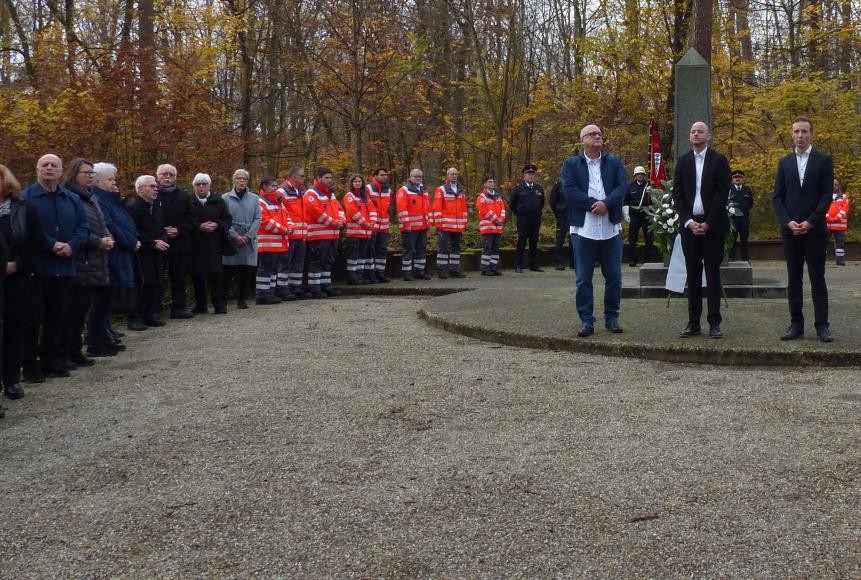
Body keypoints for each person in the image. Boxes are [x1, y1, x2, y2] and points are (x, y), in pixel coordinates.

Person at [21, 154, 89, 379]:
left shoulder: (71, 199)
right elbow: (24, 230)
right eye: (45, 165)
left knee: (56, 315)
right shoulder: (25, 198)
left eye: (54, 165)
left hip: (65, 266)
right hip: (37, 267)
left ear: (61, 171)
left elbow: (83, 226)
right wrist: (51, 244)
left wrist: (72, 245)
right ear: (37, 169)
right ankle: (30, 365)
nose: (49, 168)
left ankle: (52, 360)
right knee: (33, 317)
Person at [561, 124, 628, 337]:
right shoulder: (571, 164)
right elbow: (569, 190)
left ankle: (612, 317)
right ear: (582, 140)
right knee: (583, 279)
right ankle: (586, 321)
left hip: (610, 229)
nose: (598, 136)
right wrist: (593, 204)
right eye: (592, 134)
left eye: (599, 133)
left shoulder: (614, 162)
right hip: (584, 230)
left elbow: (622, 186)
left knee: (615, 277)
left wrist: (606, 203)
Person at [773, 116, 834, 342]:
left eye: (804, 131)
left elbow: (826, 196)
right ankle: (795, 324)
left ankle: (822, 325)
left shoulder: (823, 161)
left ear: (811, 134)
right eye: (796, 131)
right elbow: (778, 197)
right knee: (794, 278)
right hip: (791, 231)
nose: (800, 135)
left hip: (815, 231)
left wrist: (810, 222)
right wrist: (788, 221)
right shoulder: (785, 163)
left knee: (817, 278)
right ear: (792, 134)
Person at [673, 122, 731, 339]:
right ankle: (693, 323)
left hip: (712, 227)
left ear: (709, 136)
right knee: (693, 276)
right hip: (690, 227)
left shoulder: (719, 161)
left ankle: (714, 323)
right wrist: (688, 221)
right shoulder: (683, 161)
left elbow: (721, 193)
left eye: (700, 131)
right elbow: (677, 195)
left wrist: (708, 222)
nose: (695, 134)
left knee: (713, 275)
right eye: (692, 131)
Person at [58, 159, 112, 361]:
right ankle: (66, 351)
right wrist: (98, 242)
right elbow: (75, 229)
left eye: (92, 173)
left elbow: (100, 223)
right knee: (72, 310)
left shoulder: (90, 197)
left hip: (94, 260)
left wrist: (107, 238)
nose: (90, 176)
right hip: (80, 260)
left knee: (81, 310)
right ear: (74, 174)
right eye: (86, 172)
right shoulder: (71, 197)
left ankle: (74, 350)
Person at [0, 165, 44, 407]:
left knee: (15, 330)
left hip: (17, 279)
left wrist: (16, 264)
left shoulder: (25, 208)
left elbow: (36, 240)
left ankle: (11, 379)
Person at [92, 163, 139, 348]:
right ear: (98, 181)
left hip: (120, 252)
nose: (114, 183)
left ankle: (106, 330)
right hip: (111, 253)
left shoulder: (111, 199)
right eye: (110, 179)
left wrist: (133, 239)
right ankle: (100, 334)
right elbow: (111, 226)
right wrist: (130, 241)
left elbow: (124, 222)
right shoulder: (100, 201)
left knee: (107, 297)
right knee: (102, 297)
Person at [127, 175, 169, 327]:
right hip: (141, 253)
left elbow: (162, 228)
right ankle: (134, 318)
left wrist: (163, 239)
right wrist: (152, 243)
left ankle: (149, 314)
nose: (156, 189)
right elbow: (134, 231)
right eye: (151, 186)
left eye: (156, 186)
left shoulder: (156, 208)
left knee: (155, 284)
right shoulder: (132, 208)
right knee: (141, 286)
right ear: (140, 189)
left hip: (157, 253)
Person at [155, 164, 195, 319]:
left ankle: (178, 307)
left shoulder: (184, 196)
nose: (167, 177)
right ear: (157, 176)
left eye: (171, 174)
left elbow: (192, 219)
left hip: (180, 243)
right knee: (157, 278)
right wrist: (161, 232)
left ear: (175, 177)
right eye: (164, 174)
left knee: (179, 278)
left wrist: (178, 230)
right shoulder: (152, 194)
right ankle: (155, 308)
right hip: (158, 243)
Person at [189, 173, 231, 312]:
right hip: (195, 244)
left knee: (215, 274)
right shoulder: (188, 201)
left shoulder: (218, 201)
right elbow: (185, 222)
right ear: (194, 186)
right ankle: (201, 305)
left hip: (214, 244)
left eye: (204, 184)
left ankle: (218, 304)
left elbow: (228, 220)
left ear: (209, 186)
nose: (201, 187)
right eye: (198, 184)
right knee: (197, 275)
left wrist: (216, 225)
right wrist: (198, 226)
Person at [221, 169, 260, 309]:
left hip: (248, 239)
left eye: (244, 178)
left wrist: (248, 236)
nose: (241, 181)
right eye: (238, 178)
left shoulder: (255, 198)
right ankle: (223, 300)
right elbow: (223, 219)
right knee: (227, 271)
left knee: (246, 271)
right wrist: (235, 235)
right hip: (232, 238)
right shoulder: (225, 198)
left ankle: (241, 299)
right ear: (233, 180)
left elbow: (258, 218)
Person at [304, 167, 344, 298]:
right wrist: (334, 222)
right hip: (318, 236)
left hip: (332, 235)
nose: (329, 180)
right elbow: (315, 213)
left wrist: (341, 221)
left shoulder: (330, 194)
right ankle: (314, 288)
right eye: (326, 178)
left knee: (328, 262)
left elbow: (340, 209)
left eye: (331, 178)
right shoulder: (311, 194)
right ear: (319, 178)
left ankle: (325, 286)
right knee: (317, 263)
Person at [255, 176, 293, 304]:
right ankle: (262, 295)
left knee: (272, 270)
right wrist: (284, 230)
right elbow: (265, 221)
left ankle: (270, 293)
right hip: (267, 243)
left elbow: (287, 216)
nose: (276, 188)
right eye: (272, 186)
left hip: (278, 244)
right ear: (264, 187)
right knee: (265, 270)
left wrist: (290, 226)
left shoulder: (278, 201)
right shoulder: (260, 201)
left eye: (276, 186)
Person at [276, 166, 308, 297]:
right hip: (289, 234)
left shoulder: (301, 191)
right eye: (302, 176)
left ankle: (295, 288)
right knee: (285, 264)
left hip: (301, 235)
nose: (304, 178)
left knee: (297, 265)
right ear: (294, 177)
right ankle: (282, 289)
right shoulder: (282, 192)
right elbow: (279, 212)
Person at [432, 167, 468, 279]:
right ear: (447, 176)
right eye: (451, 174)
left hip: (457, 226)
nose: (454, 176)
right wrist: (438, 225)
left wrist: (464, 224)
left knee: (456, 248)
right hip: (445, 226)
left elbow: (463, 208)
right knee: (443, 248)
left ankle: (454, 270)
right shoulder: (441, 190)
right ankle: (442, 271)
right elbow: (437, 208)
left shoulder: (461, 190)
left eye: (456, 174)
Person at [396, 168, 431, 281]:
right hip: (409, 227)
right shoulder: (404, 190)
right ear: (410, 177)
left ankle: (419, 272)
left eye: (420, 176)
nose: (418, 178)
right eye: (415, 176)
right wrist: (407, 224)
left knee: (421, 249)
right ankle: (407, 273)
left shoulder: (424, 191)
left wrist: (428, 223)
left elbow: (427, 209)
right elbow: (402, 209)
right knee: (409, 249)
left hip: (422, 226)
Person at [509, 164, 545, 273]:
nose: (531, 176)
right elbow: (512, 204)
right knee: (522, 241)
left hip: (535, 219)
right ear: (524, 175)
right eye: (529, 174)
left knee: (534, 242)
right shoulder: (518, 189)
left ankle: (533, 265)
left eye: (532, 174)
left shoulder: (538, 188)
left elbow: (541, 203)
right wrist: (520, 213)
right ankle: (518, 265)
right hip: (523, 220)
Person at [343, 174, 376, 284]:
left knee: (362, 256)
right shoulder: (349, 196)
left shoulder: (365, 197)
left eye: (359, 181)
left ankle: (359, 276)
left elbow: (372, 211)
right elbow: (353, 212)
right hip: (354, 233)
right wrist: (366, 224)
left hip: (365, 232)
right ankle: (352, 277)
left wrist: (372, 223)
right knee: (353, 256)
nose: (358, 183)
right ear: (351, 183)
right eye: (355, 181)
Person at [475, 176, 506, 275]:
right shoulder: (482, 197)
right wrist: (496, 220)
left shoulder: (498, 196)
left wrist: (501, 218)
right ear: (485, 184)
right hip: (488, 228)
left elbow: (503, 209)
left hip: (497, 228)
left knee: (495, 249)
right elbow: (485, 211)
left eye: (492, 181)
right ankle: (485, 269)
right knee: (487, 249)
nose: (492, 183)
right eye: (489, 182)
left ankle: (493, 268)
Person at [623, 166, 653, 267]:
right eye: (638, 174)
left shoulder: (649, 186)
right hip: (634, 213)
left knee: (648, 237)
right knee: (633, 237)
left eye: (642, 174)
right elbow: (626, 201)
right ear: (635, 176)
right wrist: (626, 214)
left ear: (644, 175)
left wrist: (651, 193)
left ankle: (648, 259)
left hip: (646, 213)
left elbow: (653, 202)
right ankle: (632, 259)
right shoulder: (630, 186)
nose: (640, 175)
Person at [366, 168, 392, 282]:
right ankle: (370, 274)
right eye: (382, 175)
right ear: (375, 176)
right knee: (371, 250)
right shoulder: (368, 188)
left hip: (384, 226)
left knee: (382, 250)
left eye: (386, 175)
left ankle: (380, 273)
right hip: (372, 226)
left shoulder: (388, 190)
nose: (384, 177)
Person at [728, 169, 754, 262]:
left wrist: (745, 210)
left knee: (744, 240)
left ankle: (745, 259)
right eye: (735, 177)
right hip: (733, 219)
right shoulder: (729, 190)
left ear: (742, 179)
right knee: (732, 241)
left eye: (739, 177)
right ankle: (731, 259)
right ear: (732, 179)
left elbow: (750, 203)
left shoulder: (747, 190)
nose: (737, 179)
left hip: (744, 219)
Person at [549, 180, 573, 270]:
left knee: (574, 239)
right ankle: (559, 263)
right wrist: (558, 212)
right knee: (560, 239)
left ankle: (573, 263)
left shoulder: (575, 184)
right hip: (562, 216)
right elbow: (552, 202)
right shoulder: (558, 186)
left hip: (573, 215)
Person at [826, 178, 849, 266]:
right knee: (823, 242)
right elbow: (823, 208)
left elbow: (845, 209)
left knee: (840, 243)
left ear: (838, 186)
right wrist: (827, 217)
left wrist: (836, 218)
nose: (834, 186)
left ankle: (840, 260)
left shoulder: (844, 197)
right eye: (832, 184)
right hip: (827, 224)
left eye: (836, 184)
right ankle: (821, 260)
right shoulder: (825, 197)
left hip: (840, 225)